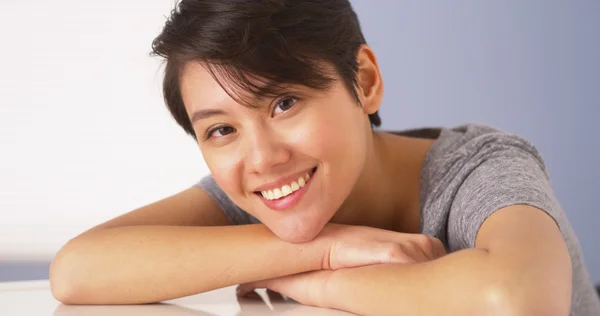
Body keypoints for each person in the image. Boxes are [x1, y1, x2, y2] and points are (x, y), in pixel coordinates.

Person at [49, 1, 600, 315]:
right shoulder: (266, 196)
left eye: (284, 102)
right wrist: (332, 246)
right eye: (221, 129)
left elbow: (517, 298)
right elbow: (77, 269)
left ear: (364, 81)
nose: (261, 158)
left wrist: (309, 276)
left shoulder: (481, 169)